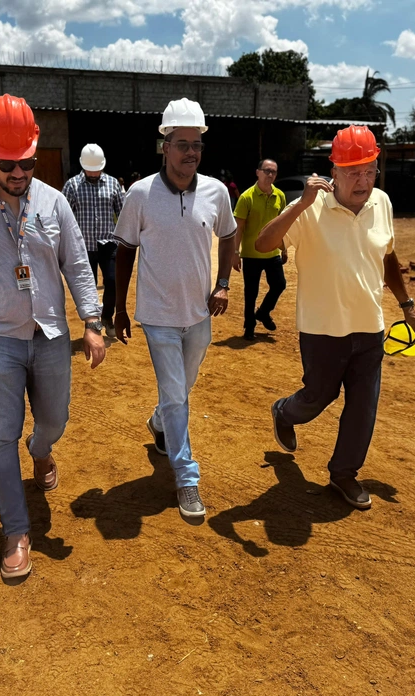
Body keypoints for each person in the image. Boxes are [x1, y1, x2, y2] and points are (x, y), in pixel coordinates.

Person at [0, 94, 106, 580]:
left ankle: (42, 450)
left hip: (50, 334)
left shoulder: (53, 201)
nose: (19, 172)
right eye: (9, 164)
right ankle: (16, 531)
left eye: (28, 162)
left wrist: (92, 324)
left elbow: (76, 264)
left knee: (54, 420)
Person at [254, 125, 415, 510]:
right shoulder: (311, 207)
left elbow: (387, 257)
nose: (363, 180)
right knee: (318, 396)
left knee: (364, 405)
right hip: (322, 329)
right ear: (334, 171)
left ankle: (344, 474)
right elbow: (263, 244)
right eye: (353, 172)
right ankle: (284, 411)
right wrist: (299, 204)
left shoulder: (382, 202)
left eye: (370, 170)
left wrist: (406, 302)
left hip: (370, 328)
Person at [113, 98, 237, 520]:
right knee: (175, 393)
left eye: (197, 143)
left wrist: (222, 284)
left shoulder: (217, 192)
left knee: (180, 391)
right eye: (182, 143)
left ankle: (160, 422)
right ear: (163, 146)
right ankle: (187, 478)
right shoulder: (140, 194)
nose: (191, 152)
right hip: (158, 316)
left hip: (200, 314)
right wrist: (119, 308)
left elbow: (230, 235)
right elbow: (125, 250)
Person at [62, 144, 125, 335]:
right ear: (83, 166)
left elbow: (122, 213)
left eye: (97, 169)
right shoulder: (72, 186)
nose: (95, 173)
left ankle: (107, 317)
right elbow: (64, 216)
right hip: (83, 246)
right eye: (91, 169)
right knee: (87, 286)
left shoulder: (113, 184)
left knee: (113, 281)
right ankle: (92, 323)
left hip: (108, 244)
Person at [233, 158, 288, 340]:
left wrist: (284, 247)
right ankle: (249, 327)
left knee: (279, 284)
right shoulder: (246, 197)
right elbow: (239, 227)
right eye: (266, 171)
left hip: (272, 252)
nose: (270, 175)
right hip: (251, 254)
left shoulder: (279, 195)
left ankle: (263, 312)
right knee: (251, 292)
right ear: (258, 172)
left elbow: (282, 225)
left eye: (273, 172)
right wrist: (235, 253)